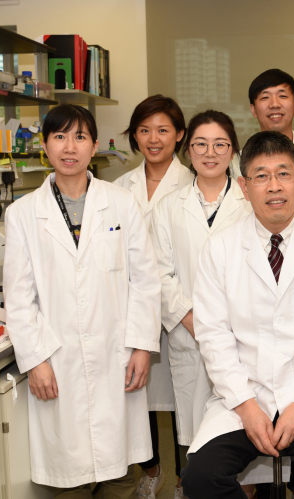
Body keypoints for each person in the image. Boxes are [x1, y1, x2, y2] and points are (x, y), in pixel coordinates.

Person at [180, 131, 294, 499]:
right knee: (200, 479)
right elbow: (213, 336)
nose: (274, 186)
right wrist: (246, 407)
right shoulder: (220, 249)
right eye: (261, 176)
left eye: (283, 173)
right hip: (244, 396)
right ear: (245, 188)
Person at [3, 104, 161, 497]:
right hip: (58, 361)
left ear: (94, 147)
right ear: (44, 145)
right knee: (69, 476)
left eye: (79, 137)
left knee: (120, 471)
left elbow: (145, 280)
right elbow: (19, 298)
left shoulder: (122, 204)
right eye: (59, 136)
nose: (69, 147)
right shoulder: (23, 214)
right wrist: (36, 360)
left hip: (117, 356)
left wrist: (142, 346)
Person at [150, 110, 252, 498]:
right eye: (200, 144)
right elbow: (159, 273)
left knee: (243, 436)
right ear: (187, 148)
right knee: (198, 439)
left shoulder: (249, 200)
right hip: (189, 336)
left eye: (220, 144)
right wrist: (191, 319)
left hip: (243, 337)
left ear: (233, 150)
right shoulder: (168, 206)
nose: (210, 153)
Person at [115, 94, 193, 499]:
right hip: (132, 306)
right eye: (144, 130)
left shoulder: (193, 182)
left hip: (177, 302)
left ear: (179, 135)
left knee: (185, 394)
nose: (153, 138)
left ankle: (184, 477)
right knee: (139, 394)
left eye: (163, 130)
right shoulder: (118, 186)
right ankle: (152, 468)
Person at [230, 69, 294, 184]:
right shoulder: (235, 165)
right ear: (253, 110)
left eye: (282, 96)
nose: (274, 104)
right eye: (265, 97)